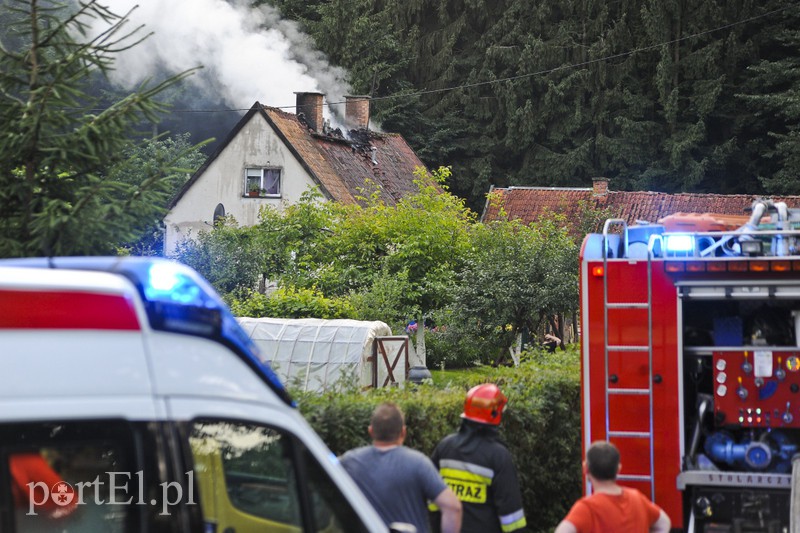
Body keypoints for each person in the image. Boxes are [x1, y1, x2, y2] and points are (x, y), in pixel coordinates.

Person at [340, 402, 462, 533]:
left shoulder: (350, 462)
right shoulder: (419, 463)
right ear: (403, 432)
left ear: (371, 431)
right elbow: (452, 507)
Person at [430, 383, 527, 533]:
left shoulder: (445, 448)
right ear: (495, 414)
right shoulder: (499, 456)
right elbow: (511, 517)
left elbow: (432, 500)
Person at [554, 441, 671, 533]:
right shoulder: (638, 499)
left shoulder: (587, 508)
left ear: (586, 469)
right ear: (618, 469)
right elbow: (664, 523)